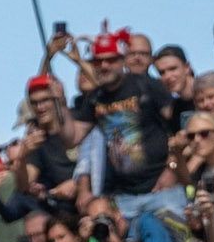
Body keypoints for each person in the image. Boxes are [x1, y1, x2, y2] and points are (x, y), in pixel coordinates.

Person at [69, 30, 179, 226]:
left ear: (121, 60)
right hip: (124, 199)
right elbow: (72, 137)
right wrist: (53, 102)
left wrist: (172, 167)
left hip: (162, 191)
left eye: (111, 60)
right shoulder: (94, 98)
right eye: (98, 61)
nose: (104, 65)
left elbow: (178, 128)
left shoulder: (148, 85)